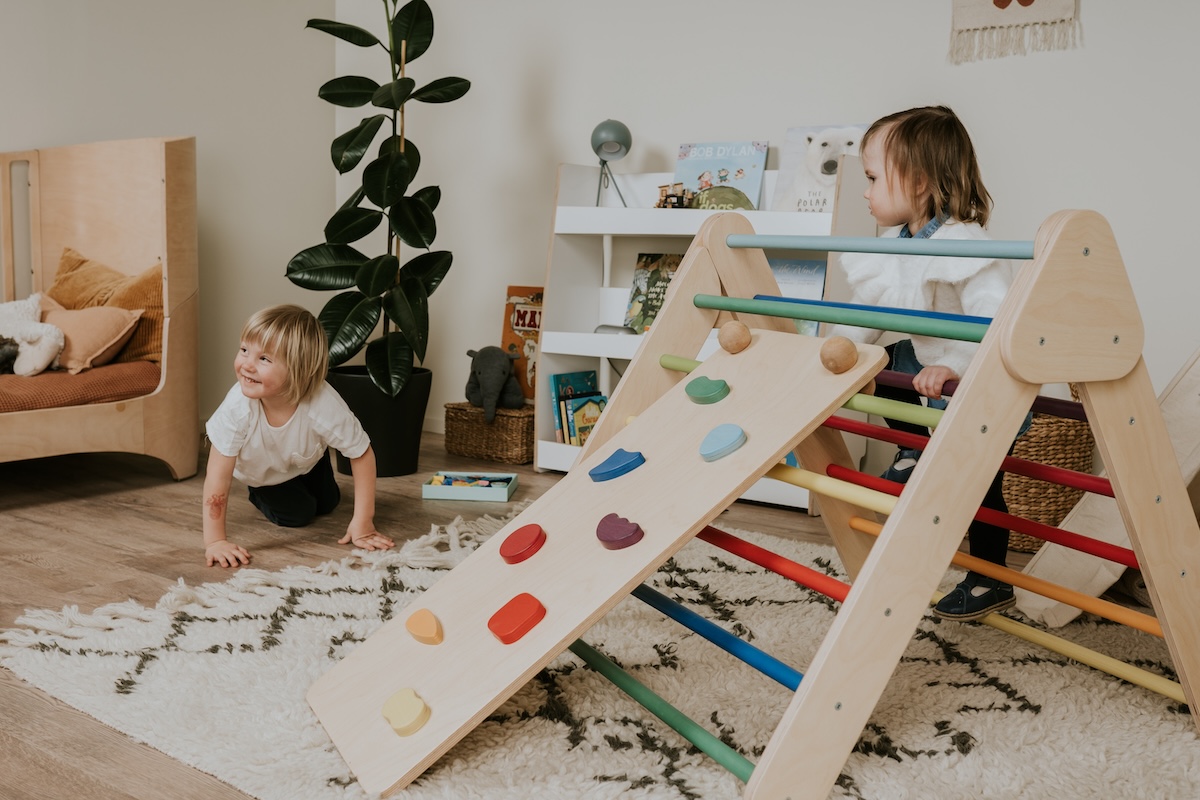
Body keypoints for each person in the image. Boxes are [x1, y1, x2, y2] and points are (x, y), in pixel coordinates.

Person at [830, 105, 1025, 621]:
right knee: (882, 357)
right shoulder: (896, 245)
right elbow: (870, 313)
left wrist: (957, 365)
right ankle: (913, 448)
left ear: (917, 183)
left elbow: (997, 324)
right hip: (926, 381)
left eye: (873, 179)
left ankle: (990, 580)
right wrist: (837, 351)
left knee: (984, 485)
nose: (866, 192)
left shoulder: (967, 246)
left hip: (981, 381)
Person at [202, 304, 394, 567]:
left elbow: (361, 452)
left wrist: (363, 522)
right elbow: (217, 478)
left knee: (329, 503)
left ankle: (310, 479)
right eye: (244, 350)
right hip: (264, 474)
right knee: (299, 514)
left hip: (305, 458)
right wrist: (215, 541)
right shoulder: (238, 409)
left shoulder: (322, 403)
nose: (246, 365)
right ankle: (258, 495)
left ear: (298, 369)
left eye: (264, 359)